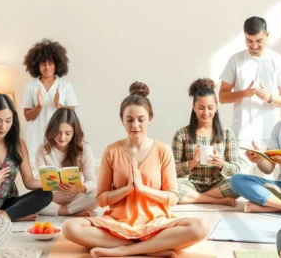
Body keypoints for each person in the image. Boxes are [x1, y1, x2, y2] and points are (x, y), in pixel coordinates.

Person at [62, 82, 209, 257]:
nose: (135, 125)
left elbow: (172, 198)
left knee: (201, 227)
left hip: (156, 223)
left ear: (150, 119)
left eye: (141, 119)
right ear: (121, 120)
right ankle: (152, 248)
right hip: (118, 223)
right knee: (69, 227)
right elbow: (101, 199)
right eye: (129, 120)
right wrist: (128, 189)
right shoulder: (111, 151)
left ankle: (126, 249)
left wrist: (142, 189)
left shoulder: (163, 150)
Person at [219, 16, 281, 174]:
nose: (254, 45)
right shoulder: (236, 60)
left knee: (268, 184)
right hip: (242, 132)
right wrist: (244, 93)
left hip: (270, 134)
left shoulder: (279, 61)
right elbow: (222, 97)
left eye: (259, 40)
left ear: (267, 35)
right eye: (249, 41)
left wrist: (270, 97)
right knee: (240, 181)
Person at [172, 78, 239, 207]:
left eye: (210, 108)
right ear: (194, 107)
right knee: (171, 186)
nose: (206, 113)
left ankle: (196, 198)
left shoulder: (227, 134)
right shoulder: (181, 134)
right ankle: (217, 200)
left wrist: (222, 164)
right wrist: (191, 163)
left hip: (217, 184)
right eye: (201, 108)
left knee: (238, 184)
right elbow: (172, 171)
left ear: (216, 108)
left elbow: (235, 170)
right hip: (190, 184)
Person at [0, 94, 53, 221]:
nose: (3, 127)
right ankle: (11, 215)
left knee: (46, 195)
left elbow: (29, 182)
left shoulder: (18, 144)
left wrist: (55, 184)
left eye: (8, 120)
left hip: (8, 202)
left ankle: (3, 215)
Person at [23, 39, 79, 163]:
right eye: (43, 64)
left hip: (59, 135)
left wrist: (58, 105)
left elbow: (72, 116)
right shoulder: (31, 86)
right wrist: (39, 106)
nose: (47, 67)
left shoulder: (65, 85)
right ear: (36, 65)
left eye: (50, 63)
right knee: (37, 169)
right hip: (36, 134)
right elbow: (27, 116)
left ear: (57, 64)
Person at [36, 108, 98, 217]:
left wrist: (79, 188)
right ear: (52, 130)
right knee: (29, 200)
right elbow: (38, 179)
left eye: (67, 133)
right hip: (52, 198)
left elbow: (92, 181)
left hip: (76, 196)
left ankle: (63, 210)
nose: (62, 137)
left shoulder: (84, 148)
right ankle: (69, 211)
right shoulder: (43, 149)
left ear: (74, 132)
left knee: (98, 195)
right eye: (58, 132)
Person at [231, 116, 281, 213]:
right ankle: (279, 206)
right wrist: (260, 159)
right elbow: (268, 168)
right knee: (237, 180)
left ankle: (274, 205)